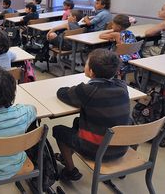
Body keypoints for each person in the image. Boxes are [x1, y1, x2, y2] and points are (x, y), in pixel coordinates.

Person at [53, 49, 131, 181]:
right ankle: (69, 152)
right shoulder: (122, 87)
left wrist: (78, 89)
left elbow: (62, 93)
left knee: (58, 130)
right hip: (121, 147)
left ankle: (70, 170)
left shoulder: (87, 91)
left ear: (91, 72)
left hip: (97, 150)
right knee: (78, 122)